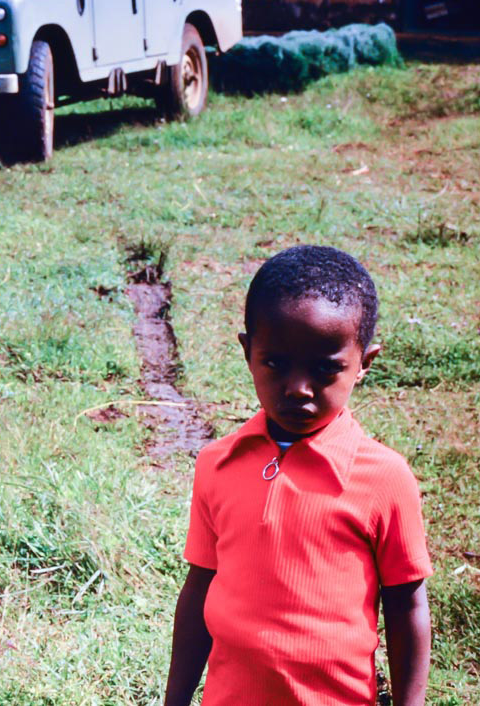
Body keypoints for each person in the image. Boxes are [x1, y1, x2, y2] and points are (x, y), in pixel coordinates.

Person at [164, 245, 432, 706]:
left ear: (364, 363)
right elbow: (199, 588)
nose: (298, 389)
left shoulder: (384, 478)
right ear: (248, 352)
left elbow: (406, 605)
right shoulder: (216, 464)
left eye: (326, 369)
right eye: (275, 363)